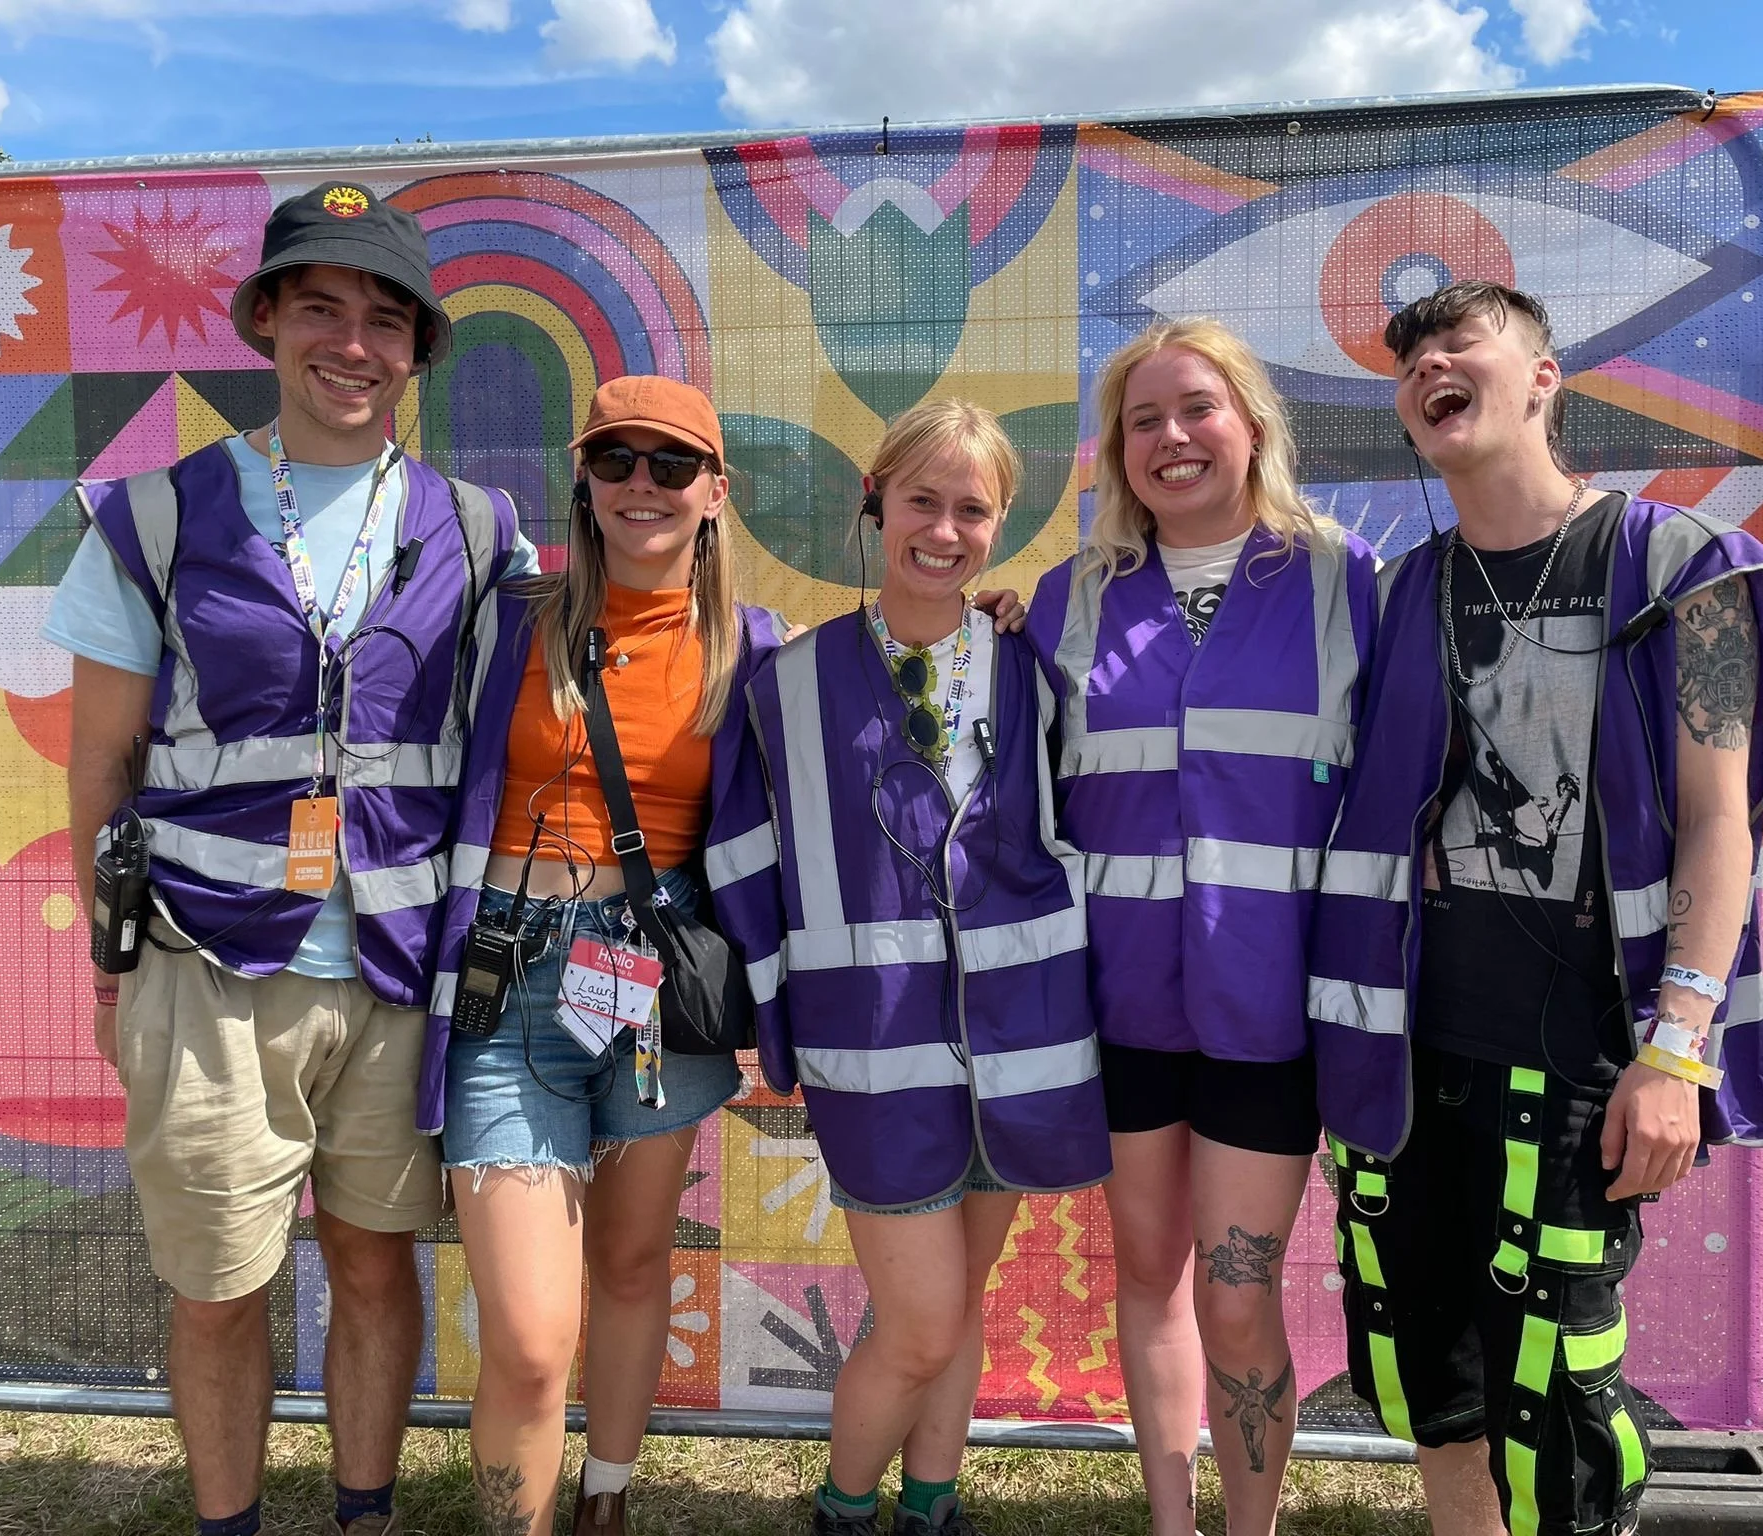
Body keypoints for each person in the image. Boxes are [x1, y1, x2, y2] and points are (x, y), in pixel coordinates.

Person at [53, 182, 534, 1536]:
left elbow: (580, 693)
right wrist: (112, 958)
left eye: (386, 319)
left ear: (417, 350)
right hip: (207, 965)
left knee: (378, 1270)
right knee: (219, 1289)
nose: (353, 344)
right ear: (266, 320)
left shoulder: (481, 531)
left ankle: (362, 1516)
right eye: (320, 307)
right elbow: (98, 768)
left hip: (399, 971)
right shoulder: (154, 517)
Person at [1307, 280, 1763, 1536]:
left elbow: (1719, 823)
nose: (1427, 368)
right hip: (1404, 1055)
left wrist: (1674, 1051)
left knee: (1556, 1396)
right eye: (1407, 362)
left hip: (1574, 1052)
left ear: (1542, 377)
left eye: (1458, 345)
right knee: (1429, 1379)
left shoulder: (1679, 567)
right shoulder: (1398, 591)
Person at [707, 399, 1111, 1536]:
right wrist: (770, 1023)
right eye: (921, 501)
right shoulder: (786, 683)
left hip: (1019, 1038)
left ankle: (931, 1507)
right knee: (922, 1321)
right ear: (874, 503)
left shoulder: (1036, 669)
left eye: (971, 510)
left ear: (1000, 524)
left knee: (958, 1304)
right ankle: (844, 1511)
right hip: (873, 1045)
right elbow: (743, 859)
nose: (943, 530)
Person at [1024, 317, 1378, 1536]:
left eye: (1196, 409)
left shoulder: (1340, 579)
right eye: (1142, 420)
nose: (1170, 437)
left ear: (1252, 426)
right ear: (1117, 450)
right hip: (1118, 1007)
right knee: (1145, 1276)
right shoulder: (1068, 598)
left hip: (1269, 1011)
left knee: (1235, 1295)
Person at [424, 374, 782, 1536]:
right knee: (531, 1340)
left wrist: (998, 622)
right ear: (581, 477)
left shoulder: (752, 649)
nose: (642, 484)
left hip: (654, 988)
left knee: (631, 1265)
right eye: (615, 458)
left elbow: (881, 701)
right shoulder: (504, 620)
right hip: (508, 980)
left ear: (715, 490)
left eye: (671, 464)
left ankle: (606, 1494)